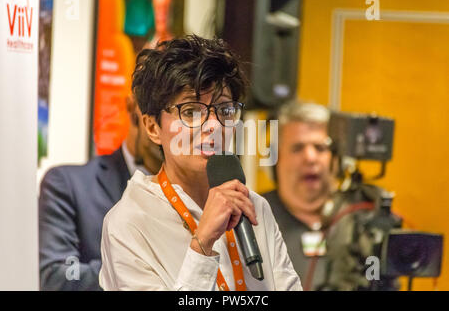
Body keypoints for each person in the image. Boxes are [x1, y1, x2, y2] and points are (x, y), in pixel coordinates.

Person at [99, 35, 302, 291]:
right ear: (152, 127)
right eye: (192, 112)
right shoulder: (129, 222)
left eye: (225, 111)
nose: (214, 126)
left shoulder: (254, 207)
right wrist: (202, 244)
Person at [39, 95, 162, 290]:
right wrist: (142, 269)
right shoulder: (68, 185)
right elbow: (57, 277)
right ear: (133, 108)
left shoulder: (208, 193)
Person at [262, 101, 335, 290]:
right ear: (274, 159)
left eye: (320, 148)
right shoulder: (254, 217)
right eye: (297, 148)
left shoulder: (359, 217)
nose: (310, 158)